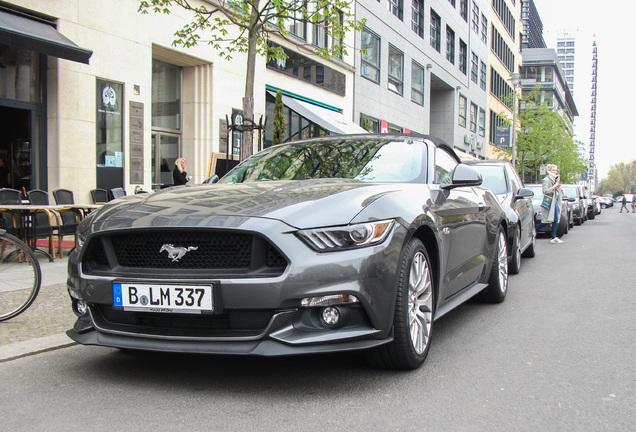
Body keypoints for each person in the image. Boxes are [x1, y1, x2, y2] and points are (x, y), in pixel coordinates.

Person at [537, 164, 564, 243]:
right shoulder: (546, 180)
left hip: (554, 201)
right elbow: (545, 191)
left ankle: (553, 237)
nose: (555, 172)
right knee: (546, 221)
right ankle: (535, 231)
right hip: (549, 203)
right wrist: (553, 188)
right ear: (549, 171)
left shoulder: (555, 180)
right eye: (553, 170)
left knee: (555, 219)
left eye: (556, 170)